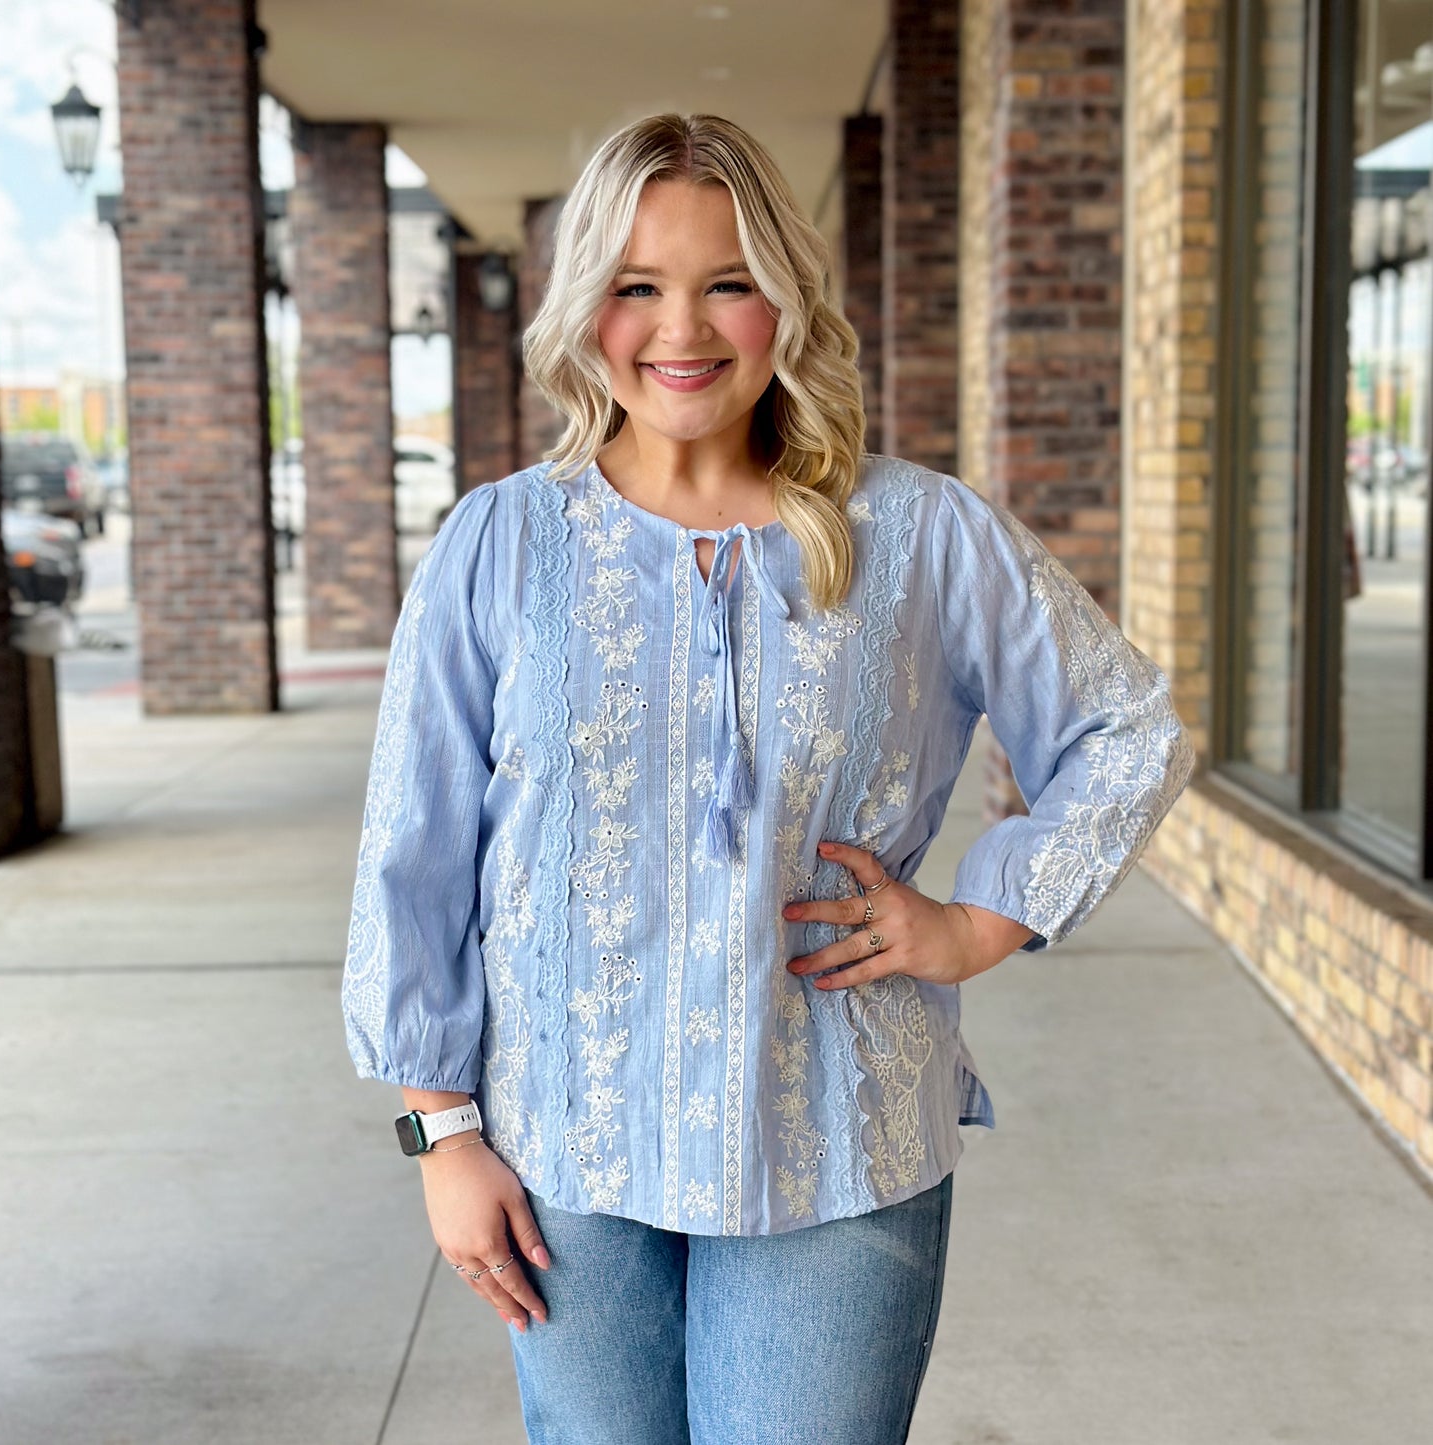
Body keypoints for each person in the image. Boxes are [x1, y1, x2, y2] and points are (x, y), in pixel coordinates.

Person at [342, 112, 1194, 1445]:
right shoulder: (499, 547)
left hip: (842, 1144)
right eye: (636, 285)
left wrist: (980, 916)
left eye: (726, 281)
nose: (679, 330)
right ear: (587, 306)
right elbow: (416, 845)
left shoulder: (916, 533)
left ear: (783, 302)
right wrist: (437, 1132)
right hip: (567, 1151)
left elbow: (1127, 724)